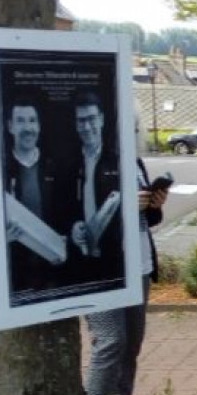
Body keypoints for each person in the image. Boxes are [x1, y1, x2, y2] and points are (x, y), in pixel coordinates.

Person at [83, 157, 168, 395]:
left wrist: (154, 205)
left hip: (138, 266)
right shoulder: (86, 160)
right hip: (102, 269)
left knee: (131, 342)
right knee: (110, 340)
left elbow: (147, 220)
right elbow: (81, 217)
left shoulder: (133, 160)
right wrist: (124, 207)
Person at [2, 93, 67, 303]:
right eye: (20, 121)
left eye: (32, 121)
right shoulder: (1, 170)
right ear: (10, 126)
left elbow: (66, 211)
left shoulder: (54, 167)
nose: (27, 128)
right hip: (16, 272)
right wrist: (1, 237)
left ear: (39, 126)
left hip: (53, 268)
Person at [61, 91, 124, 293]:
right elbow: (60, 208)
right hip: (82, 262)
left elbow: (147, 216)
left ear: (102, 119)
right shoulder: (69, 166)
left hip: (115, 261)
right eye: (81, 121)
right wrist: (72, 226)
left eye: (91, 119)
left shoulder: (118, 160)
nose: (86, 127)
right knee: (100, 322)